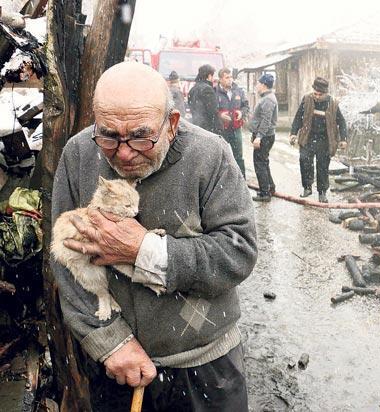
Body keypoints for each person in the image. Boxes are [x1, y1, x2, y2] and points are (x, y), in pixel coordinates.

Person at [51, 61, 257, 411]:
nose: (125, 152)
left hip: (204, 367)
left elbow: (238, 252)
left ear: (172, 124)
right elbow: (64, 260)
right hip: (116, 369)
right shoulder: (79, 154)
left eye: (141, 136)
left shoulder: (210, 155)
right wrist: (110, 343)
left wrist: (143, 250)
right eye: (109, 136)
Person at [290, 76, 348, 203]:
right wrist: (293, 133)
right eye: (315, 93)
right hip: (308, 138)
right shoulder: (307, 99)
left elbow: (342, 122)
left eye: (319, 94)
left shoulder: (332, 103)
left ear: (325, 93)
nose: (316, 96)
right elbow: (298, 117)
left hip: (325, 140)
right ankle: (307, 187)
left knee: (322, 167)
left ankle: (322, 192)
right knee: (304, 160)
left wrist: (343, 139)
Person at [248, 73, 278, 202]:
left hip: (264, 136)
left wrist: (259, 137)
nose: (256, 86)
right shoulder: (267, 97)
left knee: (260, 164)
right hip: (265, 135)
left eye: (258, 83)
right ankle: (270, 187)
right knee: (264, 162)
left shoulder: (268, 100)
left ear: (264, 85)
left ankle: (265, 193)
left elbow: (266, 120)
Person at [215, 68, 249, 177]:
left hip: (236, 129)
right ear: (220, 79)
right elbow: (211, 110)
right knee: (222, 156)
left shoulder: (238, 91)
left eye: (231, 77)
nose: (230, 80)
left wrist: (241, 112)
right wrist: (219, 115)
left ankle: (241, 180)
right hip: (221, 130)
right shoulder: (214, 92)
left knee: (238, 156)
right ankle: (224, 180)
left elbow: (246, 106)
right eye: (227, 77)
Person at [188, 64, 221, 134]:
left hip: (195, 126)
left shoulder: (193, 89)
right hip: (207, 129)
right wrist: (219, 128)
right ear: (209, 76)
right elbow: (212, 111)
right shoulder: (207, 89)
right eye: (213, 76)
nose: (213, 79)